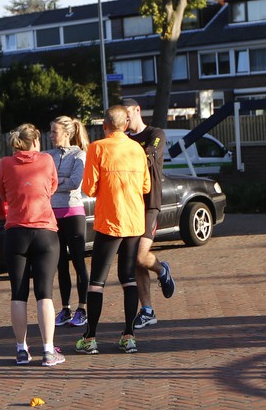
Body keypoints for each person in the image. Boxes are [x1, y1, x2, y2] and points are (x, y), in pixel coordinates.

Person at [75, 105, 151, 355]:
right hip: (134, 221)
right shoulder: (137, 149)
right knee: (128, 278)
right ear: (126, 125)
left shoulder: (97, 148)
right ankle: (129, 336)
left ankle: (90, 337)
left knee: (97, 281)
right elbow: (146, 186)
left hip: (110, 220)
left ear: (104, 125)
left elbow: (89, 188)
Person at [0, 123, 65, 367]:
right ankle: (48, 350)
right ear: (35, 141)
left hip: (16, 232)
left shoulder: (5, 163)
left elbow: (3, 195)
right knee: (44, 293)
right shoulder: (47, 160)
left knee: (18, 293)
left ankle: (21, 349)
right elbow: (53, 187)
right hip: (45, 231)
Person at [122, 98, 175, 329]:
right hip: (127, 205)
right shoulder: (122, 139)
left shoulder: (156, 133)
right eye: (122, 116)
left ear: (138, 110)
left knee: (140, 256)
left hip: (149, 203)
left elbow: (149, 155)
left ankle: (162, 270)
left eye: (128, 114)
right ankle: (147, 310)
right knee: (136, 261)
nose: (126, 119)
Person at [46, 116, 90, 330]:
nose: (50, 135)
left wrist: (55, 182)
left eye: (54, 132)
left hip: (73, 213)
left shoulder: (79, 154)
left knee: (78, 261)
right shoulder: (48, 156)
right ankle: (65, 308)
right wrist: (59, 181)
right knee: (60, 263)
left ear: (66, 133)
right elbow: (44, 181)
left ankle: (83, 308)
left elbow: (74, 182)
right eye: (50, 131)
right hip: (52, 214)